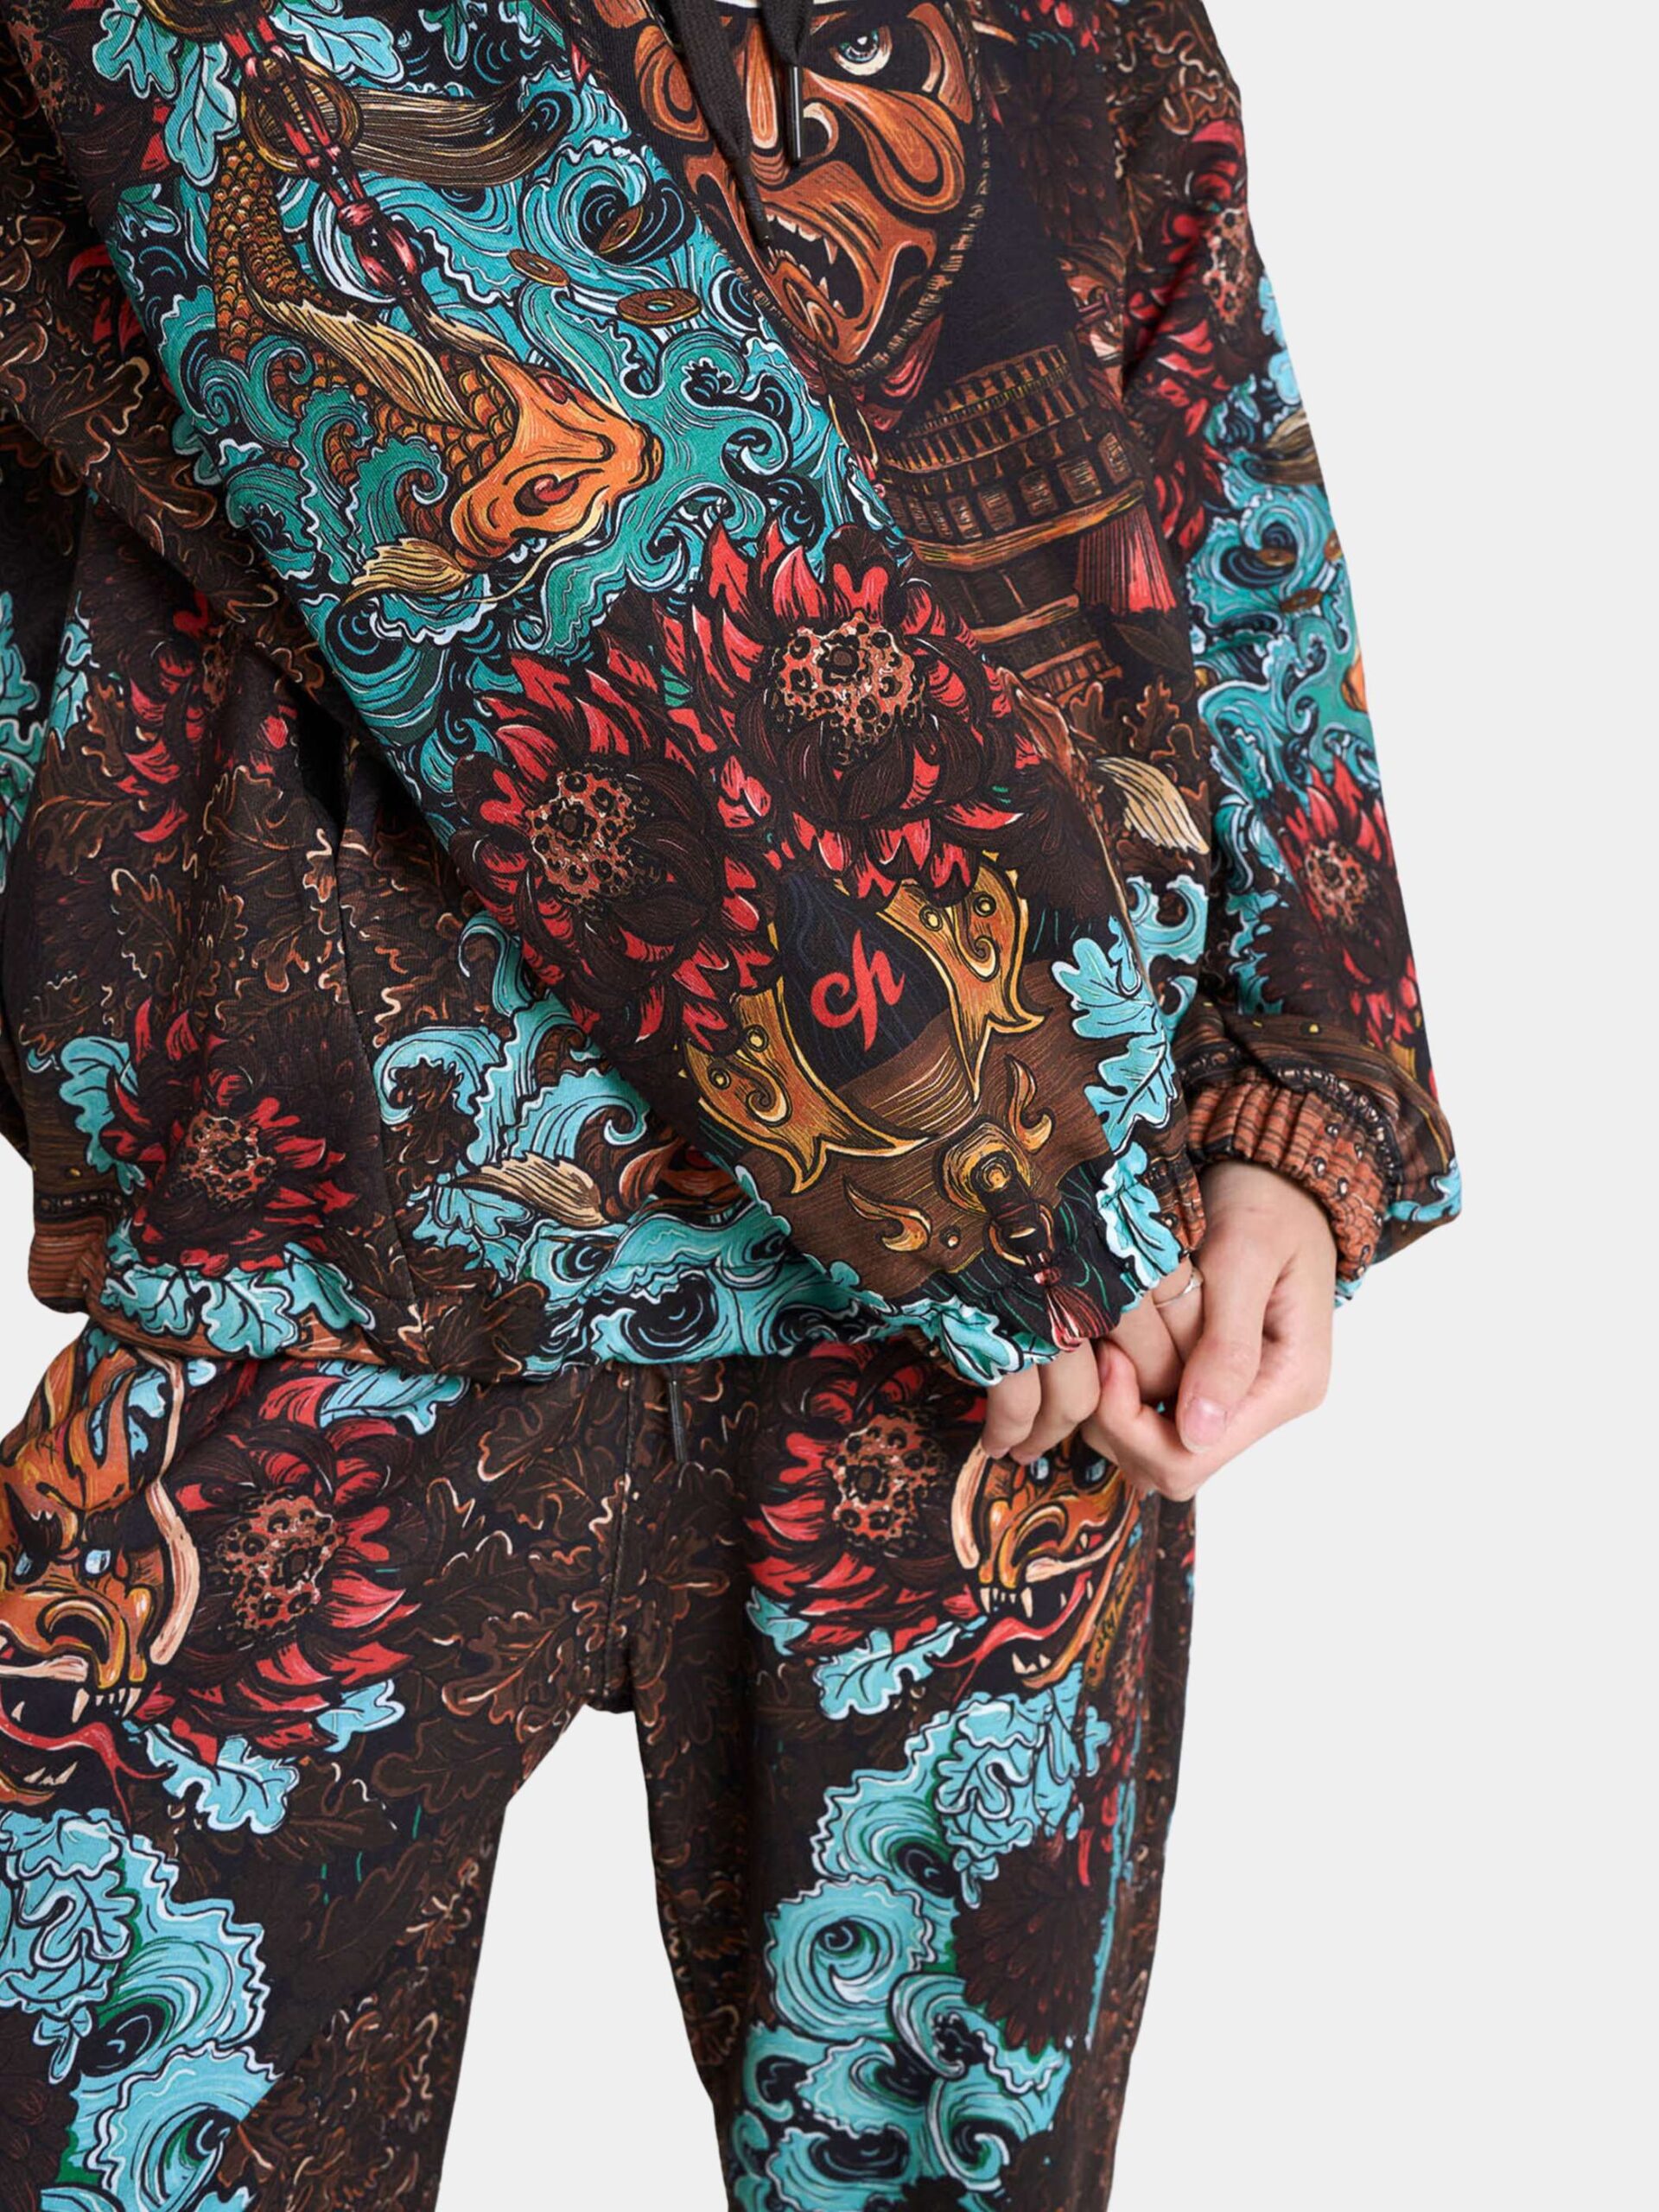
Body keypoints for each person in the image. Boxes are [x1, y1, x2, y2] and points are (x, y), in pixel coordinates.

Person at [0, 0, 1457, 2202]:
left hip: (998, 1352)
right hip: (337, 1235)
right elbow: (508, 470)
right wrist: (1024, 1173)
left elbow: (1194, 411)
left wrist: (1297, 1093)